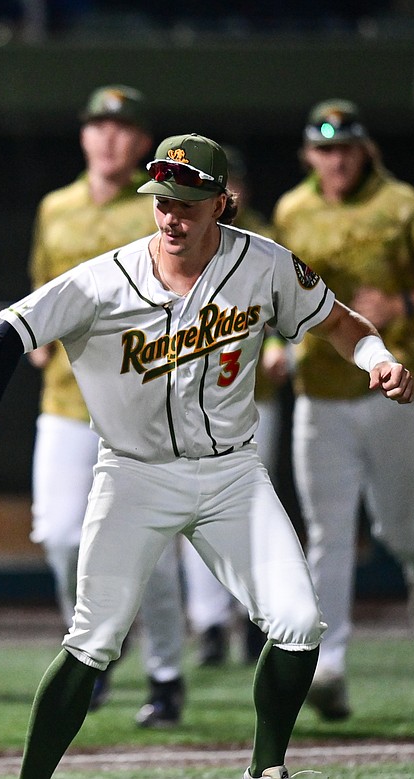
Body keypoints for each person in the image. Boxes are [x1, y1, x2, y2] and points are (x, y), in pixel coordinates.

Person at [0, 133, 414, 779]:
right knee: (92, 641)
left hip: (230, 472)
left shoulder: (264, 263)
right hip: (134, 475)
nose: (172, 215)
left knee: (299, 621)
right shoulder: (104, 279)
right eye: (163, 199)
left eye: (188, 202)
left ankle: (266, 768)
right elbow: (8, 332)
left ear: (221, 203)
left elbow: (340, 323)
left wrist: (379, 358)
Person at [273, 99, 414, 721]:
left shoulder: (402, 204)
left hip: (392, 389)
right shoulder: (292, 210)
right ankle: (328, 664)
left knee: (393, 524)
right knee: (328, 534)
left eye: (347, 149)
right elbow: (274, 288)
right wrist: (279, 347)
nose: (337, 161)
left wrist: (404, 305)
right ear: (309, 155)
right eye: (326, 149)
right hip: (320, 392)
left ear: (366, 151)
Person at [25, 84, 186, 726]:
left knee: (157, 547)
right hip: (66, 400)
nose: (110, 138)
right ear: (85, 134)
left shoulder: (159, 209)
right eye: (99, 125)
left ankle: (168, 674)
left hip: (145, 404)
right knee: (61, 537)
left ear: (143, 141)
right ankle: (96, 650)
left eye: (123, 128)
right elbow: (44, 284)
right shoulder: (55, 207)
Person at [180, 145, 275, 667]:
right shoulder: (177, 239)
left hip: (257, 396)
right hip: (196, 400)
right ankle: (211, 623)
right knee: (192, 512)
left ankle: (261, 618)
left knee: (255, 509)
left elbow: (294, 312)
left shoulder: (266, 238)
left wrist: (281, 350)